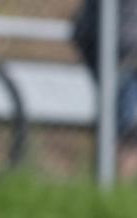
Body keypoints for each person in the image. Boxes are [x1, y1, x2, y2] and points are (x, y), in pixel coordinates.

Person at [72, 0, 137, 178]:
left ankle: (108, 181)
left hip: (112, 46)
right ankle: (112, 182)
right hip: (123, 52)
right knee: (125, 127)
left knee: (118, 123)